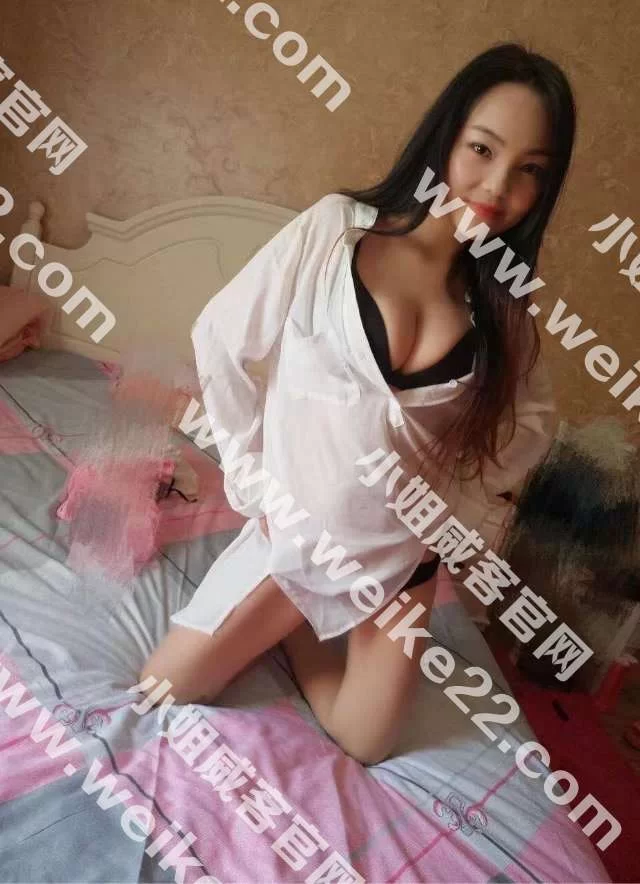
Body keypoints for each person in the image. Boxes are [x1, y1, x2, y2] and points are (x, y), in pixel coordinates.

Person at [139, 42, 574, 765]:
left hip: (400, 558)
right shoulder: (337, 230)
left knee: (366, 741)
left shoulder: (504, 311)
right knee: (165, 687)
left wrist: (453, 509)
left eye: (530, 170)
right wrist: (254, 483)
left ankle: (303, 633)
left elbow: (533, 426)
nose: (498, 186)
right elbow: (221, 340)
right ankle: (297, 615)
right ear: (446, 138)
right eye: (482, 149)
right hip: (300, 535)